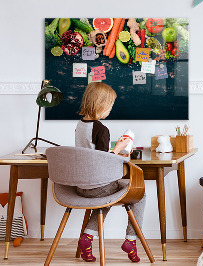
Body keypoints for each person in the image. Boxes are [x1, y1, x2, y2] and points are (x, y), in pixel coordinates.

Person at [75, 82, 145, 263]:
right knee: (140, 194)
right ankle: (131, 240)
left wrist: (114, 149)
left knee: (105, 197)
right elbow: (103, 161)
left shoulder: (80, 125)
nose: (110, 109)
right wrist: (120, 148)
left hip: (81, 186)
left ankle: (87, 238)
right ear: (102, 105)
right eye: (110, 106)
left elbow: (92, 154)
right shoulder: (101, 129)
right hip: (98, 186)